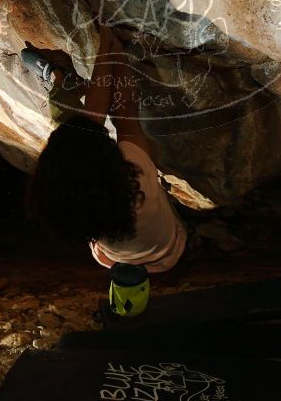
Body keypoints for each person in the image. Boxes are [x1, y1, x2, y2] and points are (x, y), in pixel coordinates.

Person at [24, 24, 186, 273]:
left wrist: (109, 52)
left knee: (77, 129)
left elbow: (92, 128)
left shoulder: (69, 209)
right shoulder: (136, 175)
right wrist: (113, 51)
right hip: (169, 249)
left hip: (139, 256)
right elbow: (125, 113)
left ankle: (61, 80)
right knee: (70, 122)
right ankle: (61, 83)